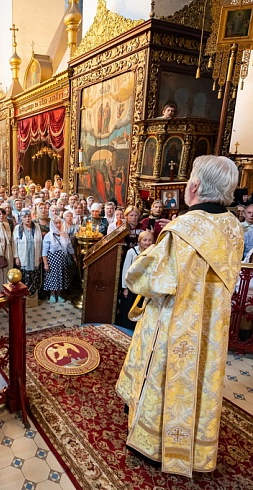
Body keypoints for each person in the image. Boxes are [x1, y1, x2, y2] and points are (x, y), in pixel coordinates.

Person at [116, 155, 244, 477]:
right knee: (199, 378)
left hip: (175, 323)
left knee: (164, 374)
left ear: (195, 185)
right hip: (210, 329)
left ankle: (155, 443)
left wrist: (140, 261)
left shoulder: (182, 231)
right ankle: (194, 447)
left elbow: (145, 278)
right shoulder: (233, 228)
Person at [119, 231, 154, 330]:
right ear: (139, 241)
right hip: (132, 286)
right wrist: (125, 287)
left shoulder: (154, 252)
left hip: (145, 287)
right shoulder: (132, 252)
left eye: (150, 240)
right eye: (145, 240)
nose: (147, 243)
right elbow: (126, 269)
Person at [42, 216, 76, 304]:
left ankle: (59, 293)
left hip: (62, 260)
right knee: (52, 277)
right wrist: (46, 264)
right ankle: (52, 294)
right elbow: (44, 252)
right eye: (56, 223)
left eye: (59, 223)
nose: (58, 225)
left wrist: (74, 257)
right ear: (52, 224)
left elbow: (69, 247)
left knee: (61, 277)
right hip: (52, 260)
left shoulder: (64, 234)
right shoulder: (48, 236)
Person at [13, 208, 43, 306]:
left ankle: (33, 300)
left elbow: (40, 242)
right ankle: (24, 300)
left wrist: (40, 255)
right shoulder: (18, 228)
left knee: (34, 277)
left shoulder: (37, 227)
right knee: (25, 278)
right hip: (23, 258)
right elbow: (14, 244)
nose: (27, 219)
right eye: (25, 217)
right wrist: (16, 257)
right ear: (21, 218)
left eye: (29, 216)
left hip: (35, 257)